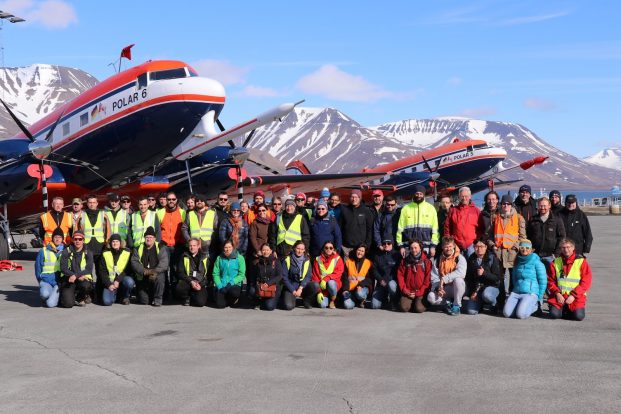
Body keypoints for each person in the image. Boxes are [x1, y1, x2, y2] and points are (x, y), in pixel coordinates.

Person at [547, 238, 592, 321]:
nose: (566, 250)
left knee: (578, 317)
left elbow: (586, 282)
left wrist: (573, 296)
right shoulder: (556, 262)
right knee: (554, 315)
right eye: (563, 247)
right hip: (559, 296)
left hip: (576, 296)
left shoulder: (581, 262)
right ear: (560, 249)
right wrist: (557, 293)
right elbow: (550, 280)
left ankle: (567, 310)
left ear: (573, 248)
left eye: (568, 247)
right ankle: (562, 309)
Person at [492, 194, 527, 299]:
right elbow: (489, 235)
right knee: (499, 278)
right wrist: (492, 245)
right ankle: (500, 301)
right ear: (501, 205)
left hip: (512, 254)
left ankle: (512, 300)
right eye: (503, 204)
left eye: (508, 204)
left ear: (511, 205)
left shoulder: (519, 218)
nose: (506, 206)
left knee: (513, 278)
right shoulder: (495, 217)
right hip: (498, 253)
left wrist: (516, 246)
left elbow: (522, 237)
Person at [503, 239, 546, 319]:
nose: (524, 249)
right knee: (507, 313)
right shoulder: (517, 261)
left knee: (521, 314)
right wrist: (516, 288)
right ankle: (520, 306)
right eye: (522, 247)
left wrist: (538, 297)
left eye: (527, 247)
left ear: (531, 249)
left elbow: (543, 281)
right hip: (517, 292)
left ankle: (535, 307)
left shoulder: (537, 262)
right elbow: (514, 278)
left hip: (530, 293)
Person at [157, 191, 186, 298]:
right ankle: (165, 293)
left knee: (175, 270)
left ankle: (175, 293)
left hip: (177, 245)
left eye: (173, 199)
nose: (171, 201)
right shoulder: (160, 212)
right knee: (164, 269)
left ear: (176, 200)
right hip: (164, 246)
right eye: (169, 199)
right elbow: (157, 229)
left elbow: (185, 229)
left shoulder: (183, 212)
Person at [396, 184, 439, 258]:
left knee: (427, 268)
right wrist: (401, 246)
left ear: (424, 195)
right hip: (409, 247)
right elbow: (400, 229)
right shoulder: (406, 208)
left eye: (421, 194)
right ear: (414, 194)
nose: (419, 195)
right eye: (417, 193)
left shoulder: (431, 208)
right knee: (409, 268)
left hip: (426, 247)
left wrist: (433, 246)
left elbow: (435, 229)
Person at [427, 236, 467, 315]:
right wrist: (438, 288)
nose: (448, 248)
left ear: (454, 246)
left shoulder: (460, 258)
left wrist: (444, 279)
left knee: (458, 280)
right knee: (430, 297)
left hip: (458, 288)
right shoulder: (438, 260)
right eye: (446, 246)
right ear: (442, 247)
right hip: (445, 289)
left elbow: (461, 273)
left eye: (450, 246)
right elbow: (434, 277)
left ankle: (456, 305)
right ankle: (448, 303)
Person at [130, 226, 169, 306]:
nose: (149, 239)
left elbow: (164, 263)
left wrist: (154, 271)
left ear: (154, 238)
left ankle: (158, 299)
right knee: (144, 301)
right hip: (143, 276)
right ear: (144, 238)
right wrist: (144, 271)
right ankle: (149, 296)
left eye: (151, 237)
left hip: (156, 275)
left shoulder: (160, 247)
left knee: (161, 277)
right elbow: (134, 262)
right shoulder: (138, 248)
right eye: (147, 237)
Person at [464, 238, 503, 315]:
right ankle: (480, 304)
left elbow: (497, 278)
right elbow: (469, 278)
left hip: (492, 287)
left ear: (486, 247)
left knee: (487, 295)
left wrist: (484, 273)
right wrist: (473, 292)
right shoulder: (471, 259)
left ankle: (494, 304)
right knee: (471, 311)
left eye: (481, 246)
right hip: (478, 289)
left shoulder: (493, 258)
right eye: (476, 246)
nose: (479, 249)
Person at [59, 231, 94, 308]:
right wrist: (74, 275)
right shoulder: (66, 251)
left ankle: (80, 297)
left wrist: (76, 276)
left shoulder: (88, 252)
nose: (78, 241)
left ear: (83, 240)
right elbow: (63, 268)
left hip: (82, 279)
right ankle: (71, 295)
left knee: (86, 286)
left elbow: (89, 269)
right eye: (75, 239)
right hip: (69, 279)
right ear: (72, 240)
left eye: (80, 239)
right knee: (68, 304)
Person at [527, 197, 566, 267]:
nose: (542, 208)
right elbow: (528, 236)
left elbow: (562, 237)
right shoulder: (533, 219)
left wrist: (556, 254)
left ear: (549, 206)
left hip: (551, 256)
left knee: (550, 277)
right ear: (538, 206)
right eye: (540, 206)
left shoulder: (556, 220)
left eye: (544, 206)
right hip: (535, 255)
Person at [397, 239, 432, 313]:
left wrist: (418, 293)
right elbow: (400, 276)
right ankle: (412, 303)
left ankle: (419, 303)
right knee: (403, 308)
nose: (413, 250)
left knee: (419, 309)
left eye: (416, 248)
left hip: (421, 291)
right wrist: (406, 291)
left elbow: (427, 280)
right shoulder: (405, 261)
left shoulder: (426, 261)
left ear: (420, 248)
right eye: (412, 248)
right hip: (408, 291)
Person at [444, 186, 480, 258]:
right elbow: (447, 226)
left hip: (471, 245)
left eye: (466, 196)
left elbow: (480, 227)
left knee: (471, 267)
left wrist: (477, 241)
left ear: (470, 196)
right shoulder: (453, 210)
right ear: (459, 197)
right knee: (458, 267)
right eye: (462, 196)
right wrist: (449, 241)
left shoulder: (476, 211)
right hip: (456, 245)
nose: (464, 198)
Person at [99, 234, 135, 306]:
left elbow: (128, 269)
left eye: (117, 241)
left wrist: (118, 280)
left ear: (120, 243)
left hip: (122, 279)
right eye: (113, 242)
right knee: (107, 302)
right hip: (110, 282)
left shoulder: (127, 253)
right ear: (110, 243)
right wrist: (109, 284)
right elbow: (102, 271)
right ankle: (117, 296)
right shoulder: (105, 253)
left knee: (130, 282)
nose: (115, 243)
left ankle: (125, 297)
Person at [34, 228, 65, 307]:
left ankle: (55, 297)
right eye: (55, 237)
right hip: (46, 281)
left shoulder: (65, 251)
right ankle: (51, 295)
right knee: (44, 294)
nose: (57, 239)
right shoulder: (43, 251)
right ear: (52, 238)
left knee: (50, 304)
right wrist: (40, 280)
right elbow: (38, 267)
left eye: (59, 237)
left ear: (62, 239)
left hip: (58, 283)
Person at [280, 241, 314, 310]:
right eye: (298, 248)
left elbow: (308, 276)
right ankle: (292, 299)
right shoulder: (287, 259)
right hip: (291, 285)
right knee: (288, 306)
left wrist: (301, 288)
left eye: (302, 249)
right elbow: (284, 278)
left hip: (302, 285)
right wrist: (293, 291)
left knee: (315, 285)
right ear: (294, 248)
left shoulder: (307, 260)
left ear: (304, 250)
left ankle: (306, 301)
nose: (300, 251)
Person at [175, 238, 209, 307]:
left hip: (200, 283)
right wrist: (191, 282)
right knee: (180, 287)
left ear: (198, 246)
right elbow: (180, 273)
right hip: (188, 281)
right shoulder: (184, 256)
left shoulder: (205, 257)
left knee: (201, 303)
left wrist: (200, 284)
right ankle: (186, 297)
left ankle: (193, 296)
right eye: (190, 245)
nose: (192, 247)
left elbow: (208, 275)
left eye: (194, 245)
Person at [339, 189, 374, 257]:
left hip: (360, 248)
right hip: (346, 247)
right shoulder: (344, 210)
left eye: (356, 197)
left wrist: (366, 245)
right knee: (347, 267)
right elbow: (340, 228)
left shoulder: (366, 211)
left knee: (359, 267)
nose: (354, 199)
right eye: (352, 197)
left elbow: (370, 230)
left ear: (360, 198)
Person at [311, 241, 344, 309]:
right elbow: (315, 277)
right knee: (322, 306)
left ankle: (332, 300)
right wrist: (319, 292)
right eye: (326, 248)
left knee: (331, 283)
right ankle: (326, 298)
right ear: (323, 249)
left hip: (334, 285)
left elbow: (338, 273)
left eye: (331, 248)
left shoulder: (338, 259)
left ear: (333, 249)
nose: (328, 249)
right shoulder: (318, 259)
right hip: (323, 288)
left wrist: (326, 278)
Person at [212, 240, 245, 308]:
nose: (227, 249)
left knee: (234, 293)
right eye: (225, 247)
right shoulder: (219, 258)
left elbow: (241, 275)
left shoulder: (240, 258)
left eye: (229, 247)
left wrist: (231, 283)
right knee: (220, 305)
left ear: (233, 247)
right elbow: (215, 274)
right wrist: (220, 286)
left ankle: (234, 299)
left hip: (234, 284)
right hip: (222, 284)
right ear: (223, 248)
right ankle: (222, 296)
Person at [371, 239, 401, 309]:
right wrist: (380, 279)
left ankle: (394, 301)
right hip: (381, 282)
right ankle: (384, 299)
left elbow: (400, 271)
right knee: (374, 306)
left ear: (392, 244)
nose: (386, 245)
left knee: (392, 285)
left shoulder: (397, 255)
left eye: (388, 243)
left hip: (392, 281)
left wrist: (391, 279)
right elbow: (374, 269)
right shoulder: (377, 255)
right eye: (384, 243)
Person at [342, 244, 374, 309]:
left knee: (359, 294)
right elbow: (344, 277)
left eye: (362, 251)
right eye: (359, 250)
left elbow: (370, 279)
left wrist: (361, 285)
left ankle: (362, 299)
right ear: (356, 250)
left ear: (365, 253)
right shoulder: (348, 262)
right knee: (348, 306)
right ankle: (356, 302)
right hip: (350, 289)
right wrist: (345, 290)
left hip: (363, 288)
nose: (360, 252)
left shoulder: (369, 263)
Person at [252, 243, 282, 311]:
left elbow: (279, 276)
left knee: (269, 307)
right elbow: (254, 276)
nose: (265, 252)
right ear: (261, 251)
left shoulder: (276, 261)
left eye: (267, 250)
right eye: (263, 250)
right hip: (262, 287)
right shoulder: (258, 262)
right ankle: (261, 300)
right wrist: (258, 285)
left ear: (271, 251)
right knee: (252, 291)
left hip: (273, 287)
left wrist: (268, 283)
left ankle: (265, 302)